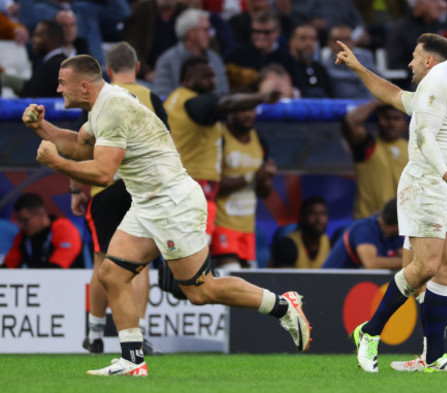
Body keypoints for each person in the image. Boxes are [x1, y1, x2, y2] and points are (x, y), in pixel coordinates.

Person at [22, 54, 311, 376]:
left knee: (201, 291)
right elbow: (80, 145)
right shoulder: (103, 106)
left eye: (62, 82)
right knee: (111, 274)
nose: (58, 88)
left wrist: (55, 163)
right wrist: (42, 128)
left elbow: (103, 174)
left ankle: (283, 305)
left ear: (84, 86)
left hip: (173, 204)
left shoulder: (113, 108)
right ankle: (133, 360)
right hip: (148, 204)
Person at [337, 23, 447, 373]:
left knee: (446, 270)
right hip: (428, 184)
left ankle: (434, 359)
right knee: (424, 268)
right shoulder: (439, 81)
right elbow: (425, 136)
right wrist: (445, 172)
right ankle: (370, 331)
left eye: (414, 57)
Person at [71, 42, 168, 355]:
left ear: (108, 71)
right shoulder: (152, 98)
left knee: (102, 262)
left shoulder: (101, 99)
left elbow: (79, 148)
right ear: (137, 67)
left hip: (105, 191)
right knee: (139, 266)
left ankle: (95, 333)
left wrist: (76, 191)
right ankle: (138, 334)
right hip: (143, 188)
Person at [164, 55, 280, 244]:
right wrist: (261, 97)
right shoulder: (194, 102)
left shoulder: (173, 100)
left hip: (180, 186)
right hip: (195, 189)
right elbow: (226, 104)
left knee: (178, 252)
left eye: (212, 76)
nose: (212, 81)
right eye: (205, 76)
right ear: (187, 79)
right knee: (193, 254)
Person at [210, 104, 276, 269]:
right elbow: (211, 186)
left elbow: (264, 193)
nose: (248, 114)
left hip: (248, 229)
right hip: (222, 225)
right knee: (231, 276)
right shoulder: (219, 136)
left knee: (246, 285)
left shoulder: (259, 140)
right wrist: (251, 176)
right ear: (231, 112)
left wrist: (265, 179)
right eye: (242, 109)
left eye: (251, 109)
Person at [342, 100, 408, 219]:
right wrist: (378, 102)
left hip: (401, 224)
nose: (391, 123)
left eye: (396, 119)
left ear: (405, 123)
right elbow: (351, 121)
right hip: (369, 222)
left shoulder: (413, 149)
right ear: (379, 120)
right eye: (387, 118)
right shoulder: (368, 145)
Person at [153, 8, 230, 98]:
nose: (210, 35)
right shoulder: (166, 61)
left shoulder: (214, 58)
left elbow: (224, 93)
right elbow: (162, 97)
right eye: (206, 30)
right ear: (190, 33)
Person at [3, 193, 83, 269]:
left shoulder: (63, 228)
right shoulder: (23, 236)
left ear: (41, 215)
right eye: (18, 221)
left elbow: (57, 268)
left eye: (25, 220)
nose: (20, 225)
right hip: (38, 280)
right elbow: (8, 266)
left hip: (70, 281)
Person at [225, 9, 299, 89]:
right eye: (256, 31)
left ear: (277, 33)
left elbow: (298, 88)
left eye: (266, 32)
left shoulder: (287, 60)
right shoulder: (236, 55)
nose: (261, 36)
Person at [322, 198, 402, 269]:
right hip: (331, 281)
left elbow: (406, 256)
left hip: (354, 282)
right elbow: (371, 264)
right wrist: (406, 262)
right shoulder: (364, 229)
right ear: (397, 224)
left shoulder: (393, 234)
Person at [270, 196, 330, 268]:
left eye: (322, 214)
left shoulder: (329, 244)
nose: (318, 219)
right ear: (302, 217)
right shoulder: (287, 246)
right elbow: (282, 278)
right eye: (313, 214)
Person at [20, 20, 67, 98]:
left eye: (38, 35)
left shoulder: (47, 68)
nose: (33, 40)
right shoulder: (68, 64)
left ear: (53, 39)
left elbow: (31, 102)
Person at [289, 23, 333, 98]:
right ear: (291, 41)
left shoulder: (320, 69)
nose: (309, 43)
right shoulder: (285, 66)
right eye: (303, 38)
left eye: (313, 39)